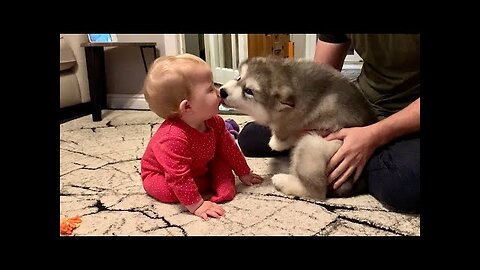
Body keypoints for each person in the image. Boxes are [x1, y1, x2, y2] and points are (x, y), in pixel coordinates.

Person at [237, 34, 420, 213]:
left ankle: (352, 166)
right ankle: (345, 161)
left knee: (404, 183)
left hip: (409, 116)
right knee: (250, 138)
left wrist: (372, 136)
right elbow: (319, 78)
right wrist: (306, 122)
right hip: (361, 105)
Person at [141, 53, 263, 221]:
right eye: (210, 89)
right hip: (161, 174)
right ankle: (206, 185)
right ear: (188, 106)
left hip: (200, 165)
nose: (218, 91)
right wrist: (197, 205)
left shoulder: (215, 122)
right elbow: (178, 176)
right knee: (169, 191)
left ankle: (214, 182)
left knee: (221, 158)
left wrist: (244, 172)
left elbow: (230, 148)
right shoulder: (172, 138)